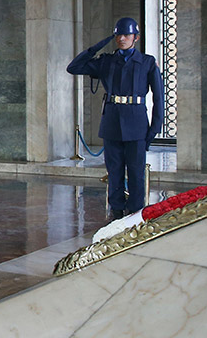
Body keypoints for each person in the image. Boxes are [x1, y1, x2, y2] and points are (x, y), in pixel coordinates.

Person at [68, 16, 163, 219]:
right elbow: (73, 67)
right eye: (118, 35)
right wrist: (98, 46)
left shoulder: (147, 62)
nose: (122, 39)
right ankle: (116, 211)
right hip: (112, 123)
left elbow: (158, 98)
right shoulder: (107, 61)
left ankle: (135, 212)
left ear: (136, 37)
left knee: (136, 172)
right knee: (115, 171)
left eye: (127, 35)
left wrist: (154, 129)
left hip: (137, 125)